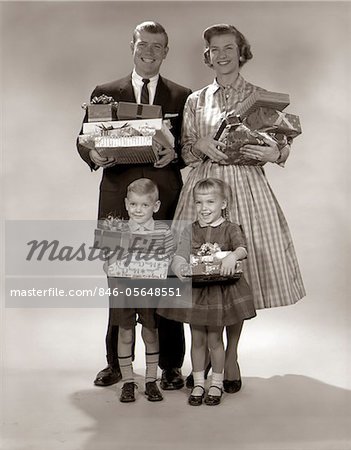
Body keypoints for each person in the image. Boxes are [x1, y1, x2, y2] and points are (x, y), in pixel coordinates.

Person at [174, 24, 306, 393]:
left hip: (246, 187)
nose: (222, 55)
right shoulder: (195, 100)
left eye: (228, 48)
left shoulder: (261, 96)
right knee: (198, 269)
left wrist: (275, 152)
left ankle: (229, 357)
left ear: (241, 51)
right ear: (208, 56)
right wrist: (199, 142)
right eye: (214, 49)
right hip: (203, 190)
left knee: (234, 275)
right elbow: (184, 153)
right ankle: (201, 359)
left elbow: (281, 145)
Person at [77, 21, 191, 389]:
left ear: (166, 51)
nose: (150, 51)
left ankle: (172, 366)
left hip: (165, 199)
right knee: (120, 282)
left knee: (169, 281)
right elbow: (83, 139)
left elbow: (188, 148)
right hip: (117, 201)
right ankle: (115, 364)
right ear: (132, 45)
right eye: (144, 44)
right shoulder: (104, 92)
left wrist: (175, 154)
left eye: (158, 46)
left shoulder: (182, 96)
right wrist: (94, 151)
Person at [158, 178, 256, 406]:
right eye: (199, 202)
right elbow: (180, 255)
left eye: (210, 202)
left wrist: (232, 256)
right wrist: (178, 266)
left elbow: (242, 248)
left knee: (215, 339)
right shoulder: (189, 230)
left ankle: (217, 382)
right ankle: (199, 381)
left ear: (224, 203)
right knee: (197, 339)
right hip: (197, 293)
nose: (204, 208)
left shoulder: (231, 228)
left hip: (220, 293)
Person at [105, 178, 175, 403]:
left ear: (155, 206)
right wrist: (112, 261)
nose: (138, 210)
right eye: (133, 204)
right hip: (123, 288)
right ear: (126, 204)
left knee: (150, 331)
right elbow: (107, 264)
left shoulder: (164, 232)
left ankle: (151, 380)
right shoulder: (117, 231)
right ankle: (128, 381)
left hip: (150, 289)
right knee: (125, 332)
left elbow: (170, 260)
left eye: (144, 205)